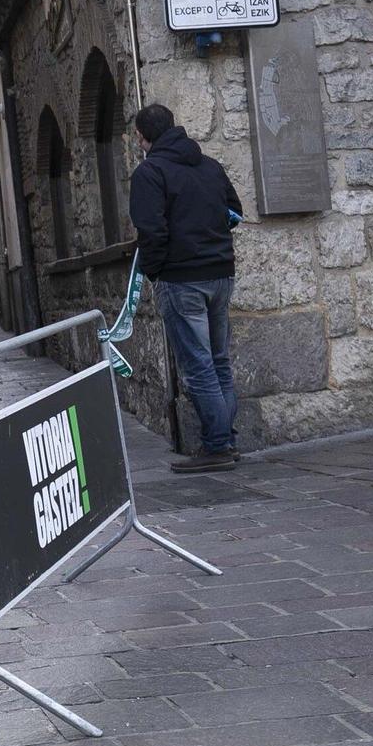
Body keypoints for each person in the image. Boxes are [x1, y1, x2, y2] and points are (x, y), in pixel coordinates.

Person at [128, 103, 244, 474]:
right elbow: (234, 212)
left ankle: (217, 445)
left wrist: (155, 269)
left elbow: (151, 231)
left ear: (143, 137)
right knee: (219, 360)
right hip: (220, 272)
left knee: (198, 366)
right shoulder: (210, 166)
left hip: (182, 278)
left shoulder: (150, 173)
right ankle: (225, 439)